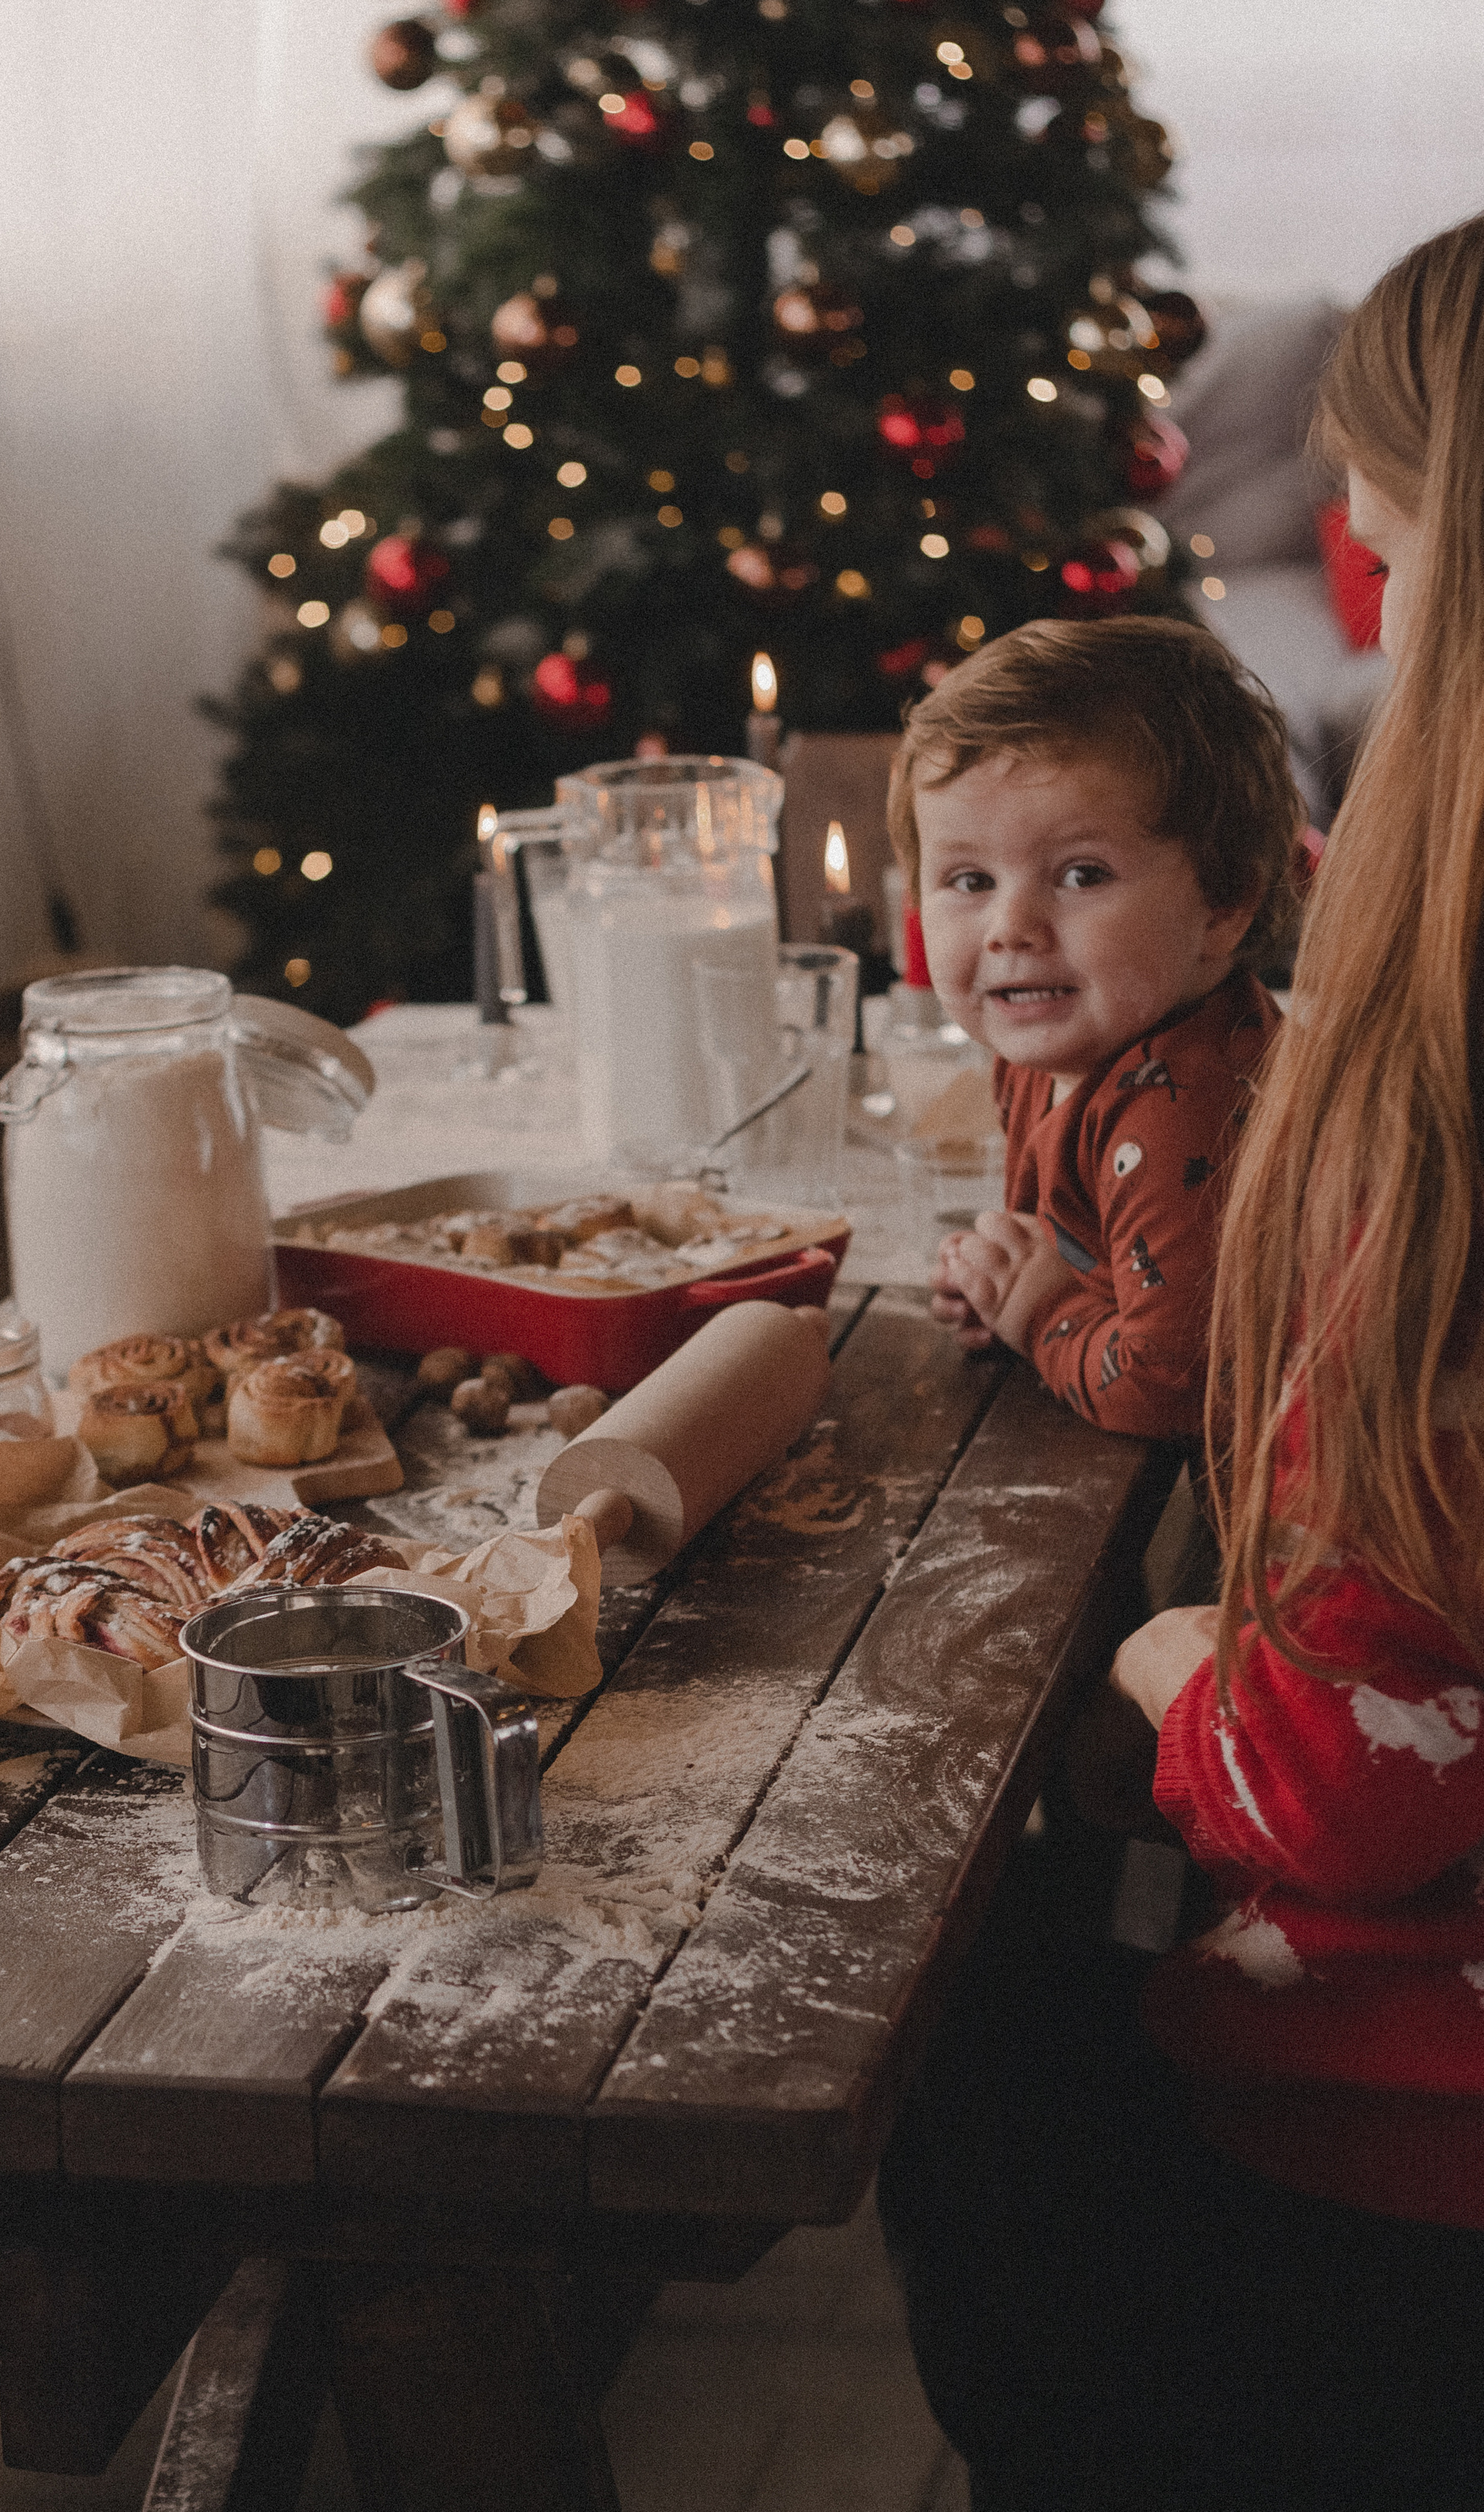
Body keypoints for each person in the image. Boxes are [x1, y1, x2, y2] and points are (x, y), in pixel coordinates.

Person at [878, 215, 1484, 2512]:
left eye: (1403, 543)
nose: (1377, 601)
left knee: (963, 2034)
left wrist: (1172, 1650)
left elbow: (1331, 1782)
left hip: (1407, 2172)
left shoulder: (1431, 1115)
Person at [887, 616, 1301, 1439]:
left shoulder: (1179, 1112)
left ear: (1223, 905)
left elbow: (1171, 1386)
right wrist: (1003, 1283)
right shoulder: (1059, 1041)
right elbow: (1087, 1251)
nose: (1011, 926)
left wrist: (1040, 1313)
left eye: (1081, 874)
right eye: (968, 878)